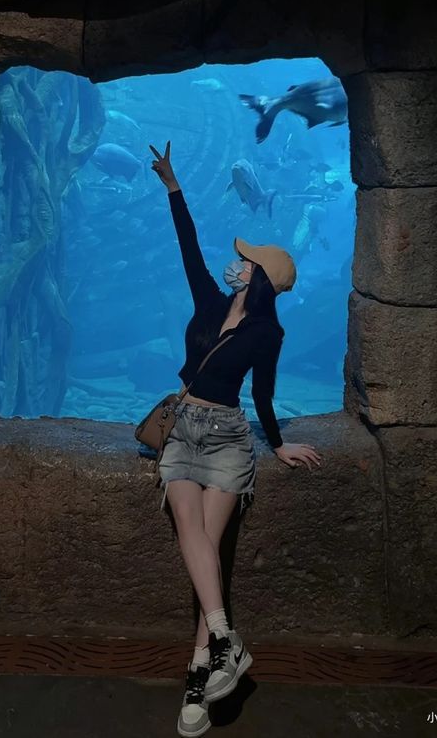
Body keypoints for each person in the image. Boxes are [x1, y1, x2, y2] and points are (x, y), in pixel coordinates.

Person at [149, 140, 322, 738]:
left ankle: (200, 679)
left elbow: (265, 396)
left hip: (226, 437)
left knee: (207, 550)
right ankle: (225, 641)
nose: (236, 263)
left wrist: (276, 445)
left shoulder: (268, 333)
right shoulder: (207, 300)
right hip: (183, 431)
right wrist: (173, 185)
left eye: (247, 262)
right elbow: (189, 245)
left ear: (261, 279)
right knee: (194, 538)